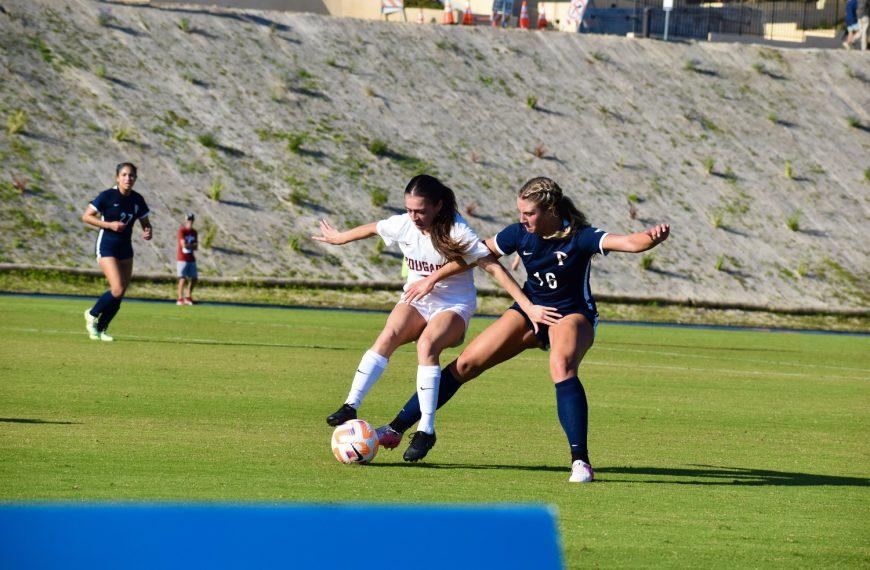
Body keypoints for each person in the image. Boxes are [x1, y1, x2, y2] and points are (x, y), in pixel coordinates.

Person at [375, 177, 670, 482]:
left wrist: (650, 238)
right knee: (465, 364)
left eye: (529, 213)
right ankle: (396, 428)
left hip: (570, 315)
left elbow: (627, 242)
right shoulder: (518, 233)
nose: (522, 219)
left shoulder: (579, 237)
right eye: (520, 212)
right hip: (530, 310)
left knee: (561, 366)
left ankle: (580, 461)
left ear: (551, 209)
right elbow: (475, 255)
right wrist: (432, 278)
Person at [314, 175, 560, 462]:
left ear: (438, 206)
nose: (414, 217)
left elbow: (492, 266)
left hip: (452, 306)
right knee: (388, 335)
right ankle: (350, 405)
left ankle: (426, 430)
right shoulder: (404, 224)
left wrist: (528, 307)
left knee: (427, 345)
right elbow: (374, 228)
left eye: (420, 211)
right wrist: (340, 238)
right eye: (409, 209)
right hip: (418, 299)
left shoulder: (457, 230)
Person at [81, 162, 152, 341]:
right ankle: (92, 313)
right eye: (124, 175)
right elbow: (86, 216)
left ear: (135, 178)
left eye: (132, 175)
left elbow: (145, 221)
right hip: (107, 246)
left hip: (125, 248)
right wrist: (109, 225)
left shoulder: (137, 199)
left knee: (120, 293)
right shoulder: (107, 196)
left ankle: (101, 329)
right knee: (117, 288)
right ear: (117, 177)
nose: (128, 178)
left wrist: (148, 230)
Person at [176, 212, 198, 305]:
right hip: (182, 258)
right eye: (189, 219)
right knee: (183, 278)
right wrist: (190, 245)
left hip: (191, 258)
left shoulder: (194, 232)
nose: (190, 221)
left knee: (194, 278)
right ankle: (180, 298)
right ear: (186, 220)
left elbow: (196, 246)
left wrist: (190, 246)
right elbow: (183, 245)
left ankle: (188, 296)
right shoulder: (182, 231)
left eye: (191, 219)